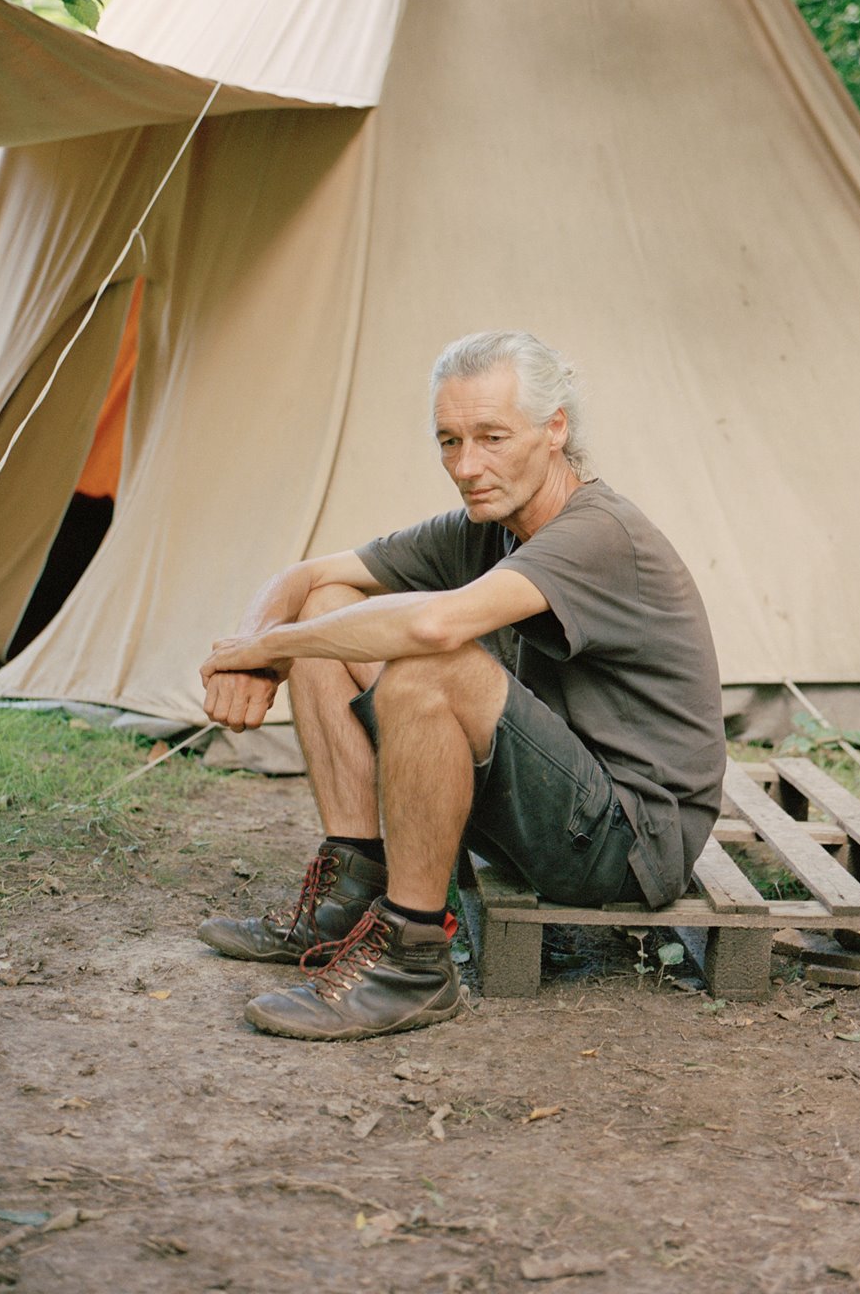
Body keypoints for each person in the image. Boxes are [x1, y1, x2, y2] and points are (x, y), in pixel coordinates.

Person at [195, 331, 723, 1040]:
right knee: (332, 612)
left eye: (492, 437)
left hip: (626, 844)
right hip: (549, 808)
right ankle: (352, 891)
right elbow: (307, 578)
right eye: (449, 441)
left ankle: (414, 963)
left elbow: (438, 626)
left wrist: (269, 647)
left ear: (554, 429)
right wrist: (252, 654)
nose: (468, 466)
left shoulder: (599, 534)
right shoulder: (490, 521)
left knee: (431, 660)